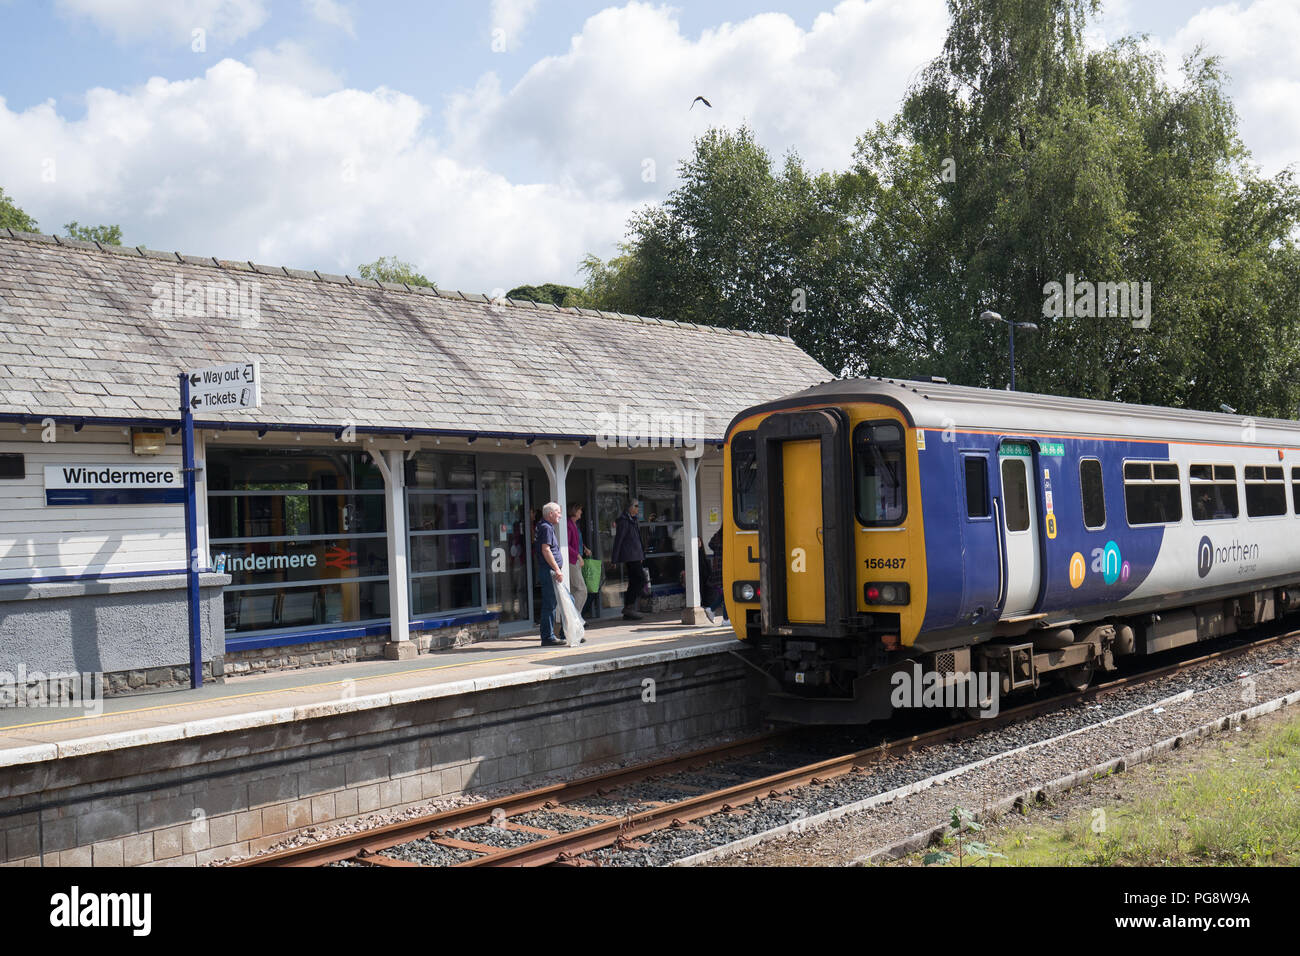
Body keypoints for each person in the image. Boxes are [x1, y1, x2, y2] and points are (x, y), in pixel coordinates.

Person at [534, 501, 565, 646]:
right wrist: (557, 569)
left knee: (566, 600)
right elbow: (545, 550)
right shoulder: (546, 527)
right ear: (551, 514)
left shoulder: (545, 526)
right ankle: (548, 637)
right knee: (550, 604)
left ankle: (568, 631)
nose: (560, 515)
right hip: (550, 571)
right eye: (558, 512)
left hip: (551, 570)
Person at [610, 499, 645, 620]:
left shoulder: (633, 520)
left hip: (636, 556)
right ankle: (628, 607)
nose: (637, 508)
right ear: (629, 507)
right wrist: (614, 559)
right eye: (635, 506)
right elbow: (618, 541)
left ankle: (628, 608)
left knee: (635, 581)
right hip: (630, 557)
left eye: (638, 506)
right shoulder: (624, 522)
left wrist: (641, 556)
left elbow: (637, 540)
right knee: (640, 580)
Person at [566, 503, 591, 620]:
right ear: (574, 511)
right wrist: (578, 556)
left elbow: (577, 541)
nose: (581, 512)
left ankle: (574, 616)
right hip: (572, 561)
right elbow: (566, 544)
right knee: (582, 590)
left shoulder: (574, 525)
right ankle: (575, 617)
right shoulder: (568, 525)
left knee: (574, 589)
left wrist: (584, 548)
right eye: (580, 510)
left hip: (576, 559)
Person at [703, 527, 728, 624]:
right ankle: (726, 619)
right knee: (727, 593)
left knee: (725, 593)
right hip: (725, 567)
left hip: (717, 567)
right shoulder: (728, 537)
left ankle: (711, 609)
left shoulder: (717, 536)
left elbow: (710, 544)